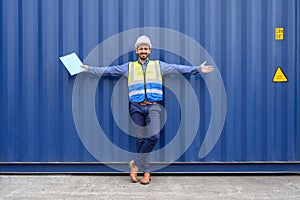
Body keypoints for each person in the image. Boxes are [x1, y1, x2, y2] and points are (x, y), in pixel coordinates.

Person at [81, 35, 214, 185]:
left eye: (146, 48)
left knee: (154, 137)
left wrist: (197, 69)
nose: (143, 50)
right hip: (135, 107)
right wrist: (87, 69)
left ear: (149, 50)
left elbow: (178, 68)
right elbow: (108, 71)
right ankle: (146, 172)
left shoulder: (159, 66)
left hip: (153, 106)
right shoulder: (129, 67)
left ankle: (135, 164)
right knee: (140, 140)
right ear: (136, 51)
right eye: (141, 48)